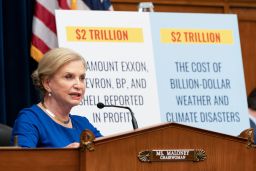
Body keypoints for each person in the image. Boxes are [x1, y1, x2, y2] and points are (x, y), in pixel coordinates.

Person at [11, 48, 102, 148]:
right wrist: (64, 156)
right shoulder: (30, 119)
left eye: (82, 78)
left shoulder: (83, 124)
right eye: (68, 77)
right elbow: (21, 162)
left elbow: (109, 153)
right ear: (47, 83)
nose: (78, 85)